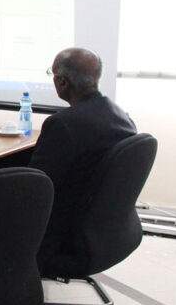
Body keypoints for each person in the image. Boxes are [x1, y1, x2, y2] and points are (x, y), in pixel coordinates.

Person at [30, 47, 137, 274]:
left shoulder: (64, 125)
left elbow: (34, 189)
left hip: (62, 238)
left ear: (62, 82)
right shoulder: (120, 116)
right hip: (103, 232)